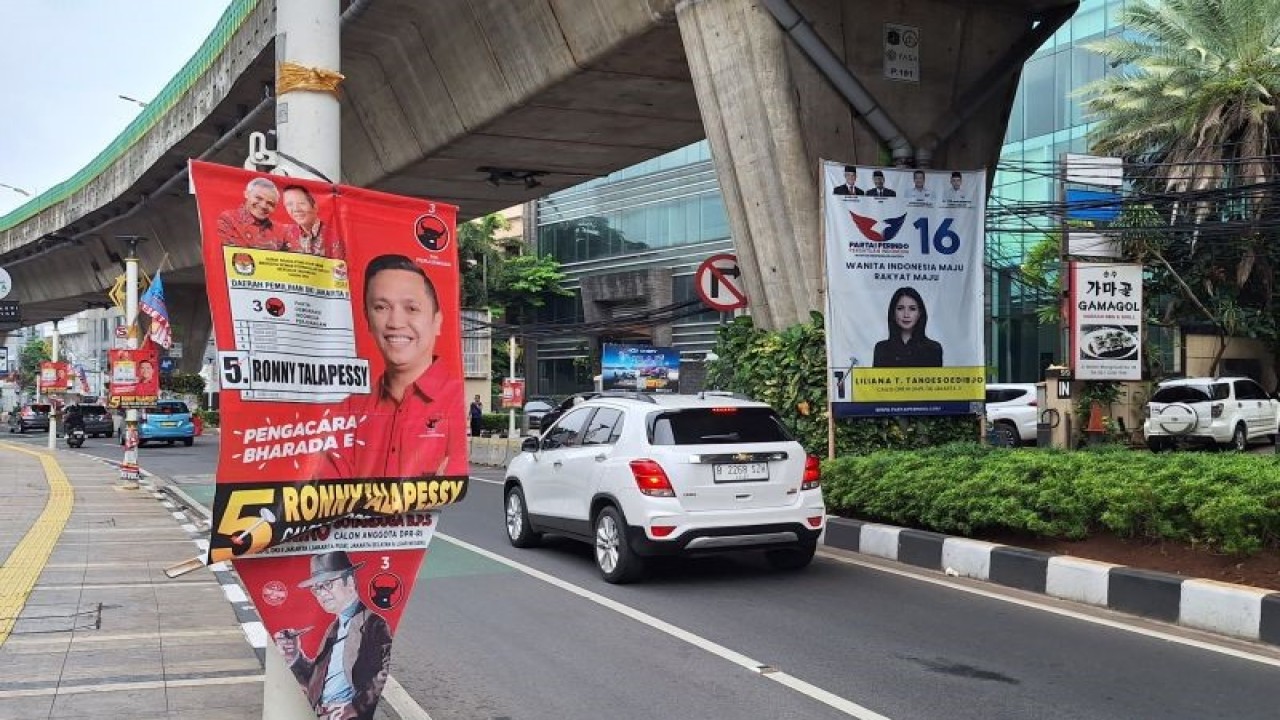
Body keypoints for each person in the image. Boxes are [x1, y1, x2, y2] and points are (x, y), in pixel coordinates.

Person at [317, 254, 466, 479]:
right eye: (381, 307)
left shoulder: (456, 400)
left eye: (412, 308)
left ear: (437, 321)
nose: (395, 323)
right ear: (367, 318)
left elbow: (451, 485)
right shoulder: (350, 409)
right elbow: (328, 491)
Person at [273, 551, 392, 720]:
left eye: (327, 584)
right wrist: (294, 656)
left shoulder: (373, 624)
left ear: (349, 582)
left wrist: (355, 707)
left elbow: (382, 673)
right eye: (316, 588)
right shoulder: (334, 628)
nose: (321, 593)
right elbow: (316, 681)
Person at [873, 286, 943, 367]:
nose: (906, 314)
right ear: (893, 313)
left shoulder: (933, 349)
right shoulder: (882, 349)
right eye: (900, 308)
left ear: (920, 313)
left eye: (912, 309)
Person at [218, 177, 286, 250]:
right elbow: (229, 254)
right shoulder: (228, 219)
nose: (263, 206)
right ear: (246, 194)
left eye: (270, 203)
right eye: (258, 198)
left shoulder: (281, 231)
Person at [282, 185, 345, 259]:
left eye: (301, 203)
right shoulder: (285, 234)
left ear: (315, 207)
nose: (296, 209)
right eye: (289, 204)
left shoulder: (334, 236)